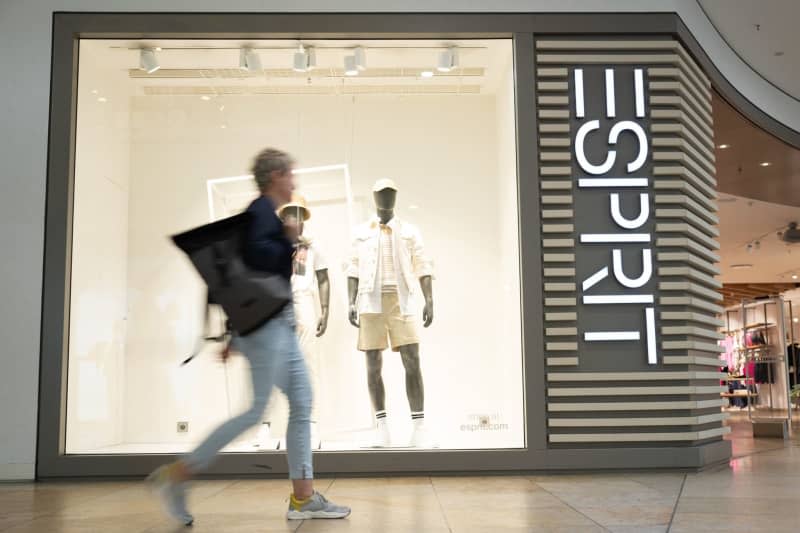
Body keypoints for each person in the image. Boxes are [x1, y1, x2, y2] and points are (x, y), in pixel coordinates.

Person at [147, 148, 350, 525]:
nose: (294, 181)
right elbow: (258, 263)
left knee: (302, 402)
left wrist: (235, 336)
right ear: (275, 175)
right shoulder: (260, 212)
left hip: (278, 325)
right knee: (256, 412)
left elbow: (248, 280)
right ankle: (178, 476)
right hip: (270, 328)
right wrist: (288, 240)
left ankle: (303, 499)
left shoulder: (260, 214)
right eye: (291, 174)